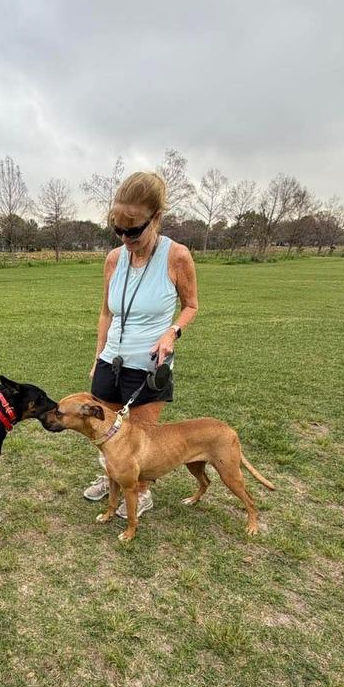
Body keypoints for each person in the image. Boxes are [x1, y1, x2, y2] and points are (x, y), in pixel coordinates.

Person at [83, 171, 199, 516]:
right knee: (104, 430)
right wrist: (97, 356)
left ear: (156, 218)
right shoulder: (113, 259)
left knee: (142, 436)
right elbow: (106, 312)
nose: (125, 237)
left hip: (148, 366)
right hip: (110, 362)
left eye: (133, 229)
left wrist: (171, 332)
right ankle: (111, 476)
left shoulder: (177, 256)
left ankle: (142, 489)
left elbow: (191, 305)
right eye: (118, 229)